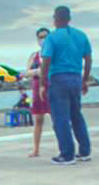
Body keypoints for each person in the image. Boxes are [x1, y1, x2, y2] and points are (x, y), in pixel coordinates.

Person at [40, 6, 92, 165]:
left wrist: (43, 83)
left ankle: (67, 154)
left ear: (55, 19)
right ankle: (84, 151)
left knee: (60, 118)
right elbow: (88, 59)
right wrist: (85, 79)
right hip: (76, 77)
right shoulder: (81, 36)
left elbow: (46, 61)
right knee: (76, 114)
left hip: (58, 78)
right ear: (69, 19)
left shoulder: (52, 38)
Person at [25, 27, 51, 157]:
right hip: (36, 87)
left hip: (51, 87)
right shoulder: (34, 55)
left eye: (45, 36)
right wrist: (37, 71)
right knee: (38, 120)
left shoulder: (54, 53)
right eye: (40, 37)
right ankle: (36, 149)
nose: (43, 39)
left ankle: (63, 147)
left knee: (57, 119)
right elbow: (27, 72)